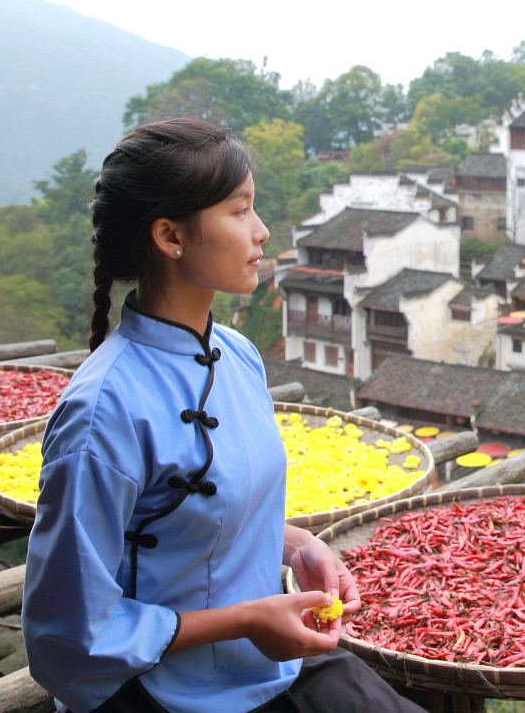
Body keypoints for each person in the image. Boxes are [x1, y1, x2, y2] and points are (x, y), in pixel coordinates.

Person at [23, 119, 425, 713]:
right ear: (171, 236)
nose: (262, 232)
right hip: (161, 692)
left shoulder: (236, 354)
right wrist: (245, 621)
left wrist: (293, 546)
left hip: (270, 661)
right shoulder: (102, 414)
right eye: (240, 212)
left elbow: (201, 522)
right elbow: (68, 636)